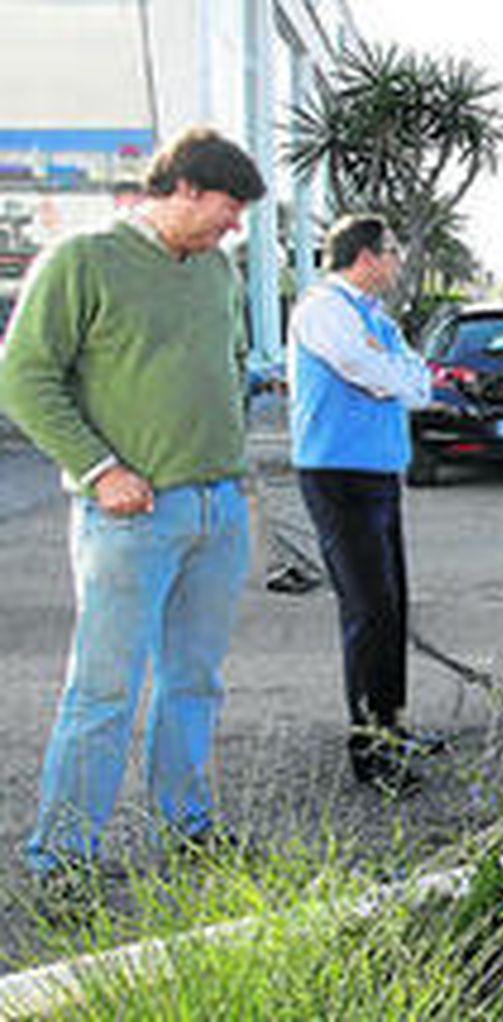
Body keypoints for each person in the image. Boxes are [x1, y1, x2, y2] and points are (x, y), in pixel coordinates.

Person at [0, 128, 265, 888]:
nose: (233, 226)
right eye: (228, 207)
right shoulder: (83, 260)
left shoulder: (216, 270)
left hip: (218, 510)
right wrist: (99, 466)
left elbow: (234, 361)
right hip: (129, 518)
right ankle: (64, 860)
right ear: (183, 188)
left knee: (195, 682)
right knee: (105, 688)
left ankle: (185, 829)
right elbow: (23, 377)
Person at [287, 214, 442, 794]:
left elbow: (416, 382)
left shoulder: (376, 316)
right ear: (367, 256)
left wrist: (399, 373)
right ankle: (371, 752)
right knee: (368, 611)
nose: (399, 262)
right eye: (393, 252)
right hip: (338, 477)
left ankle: (392, 724)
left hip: (378, 473)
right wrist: (398, 374)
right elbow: (370, 373)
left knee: (393, 606)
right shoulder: (324, 308)